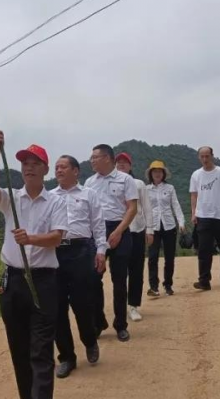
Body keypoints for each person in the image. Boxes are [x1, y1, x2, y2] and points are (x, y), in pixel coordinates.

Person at [0, 130, 68, 399]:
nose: (29, 168)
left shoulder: (56, 201)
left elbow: (57, 237)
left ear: (45, 169)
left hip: (43, 282)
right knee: (19, 349)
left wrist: (30, 239)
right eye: (24, 164)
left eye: (35, 164)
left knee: (41, 350)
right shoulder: (11, 198)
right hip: (12, 282)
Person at [51, 155, 106, 379]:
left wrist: (101, 251)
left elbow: (98, 225)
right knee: (56, 307)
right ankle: (66, 357)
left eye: (63, 167)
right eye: (56, 167)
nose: (58, 170)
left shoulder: (89, 194)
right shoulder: (49, 197)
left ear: (75, 171)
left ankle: (90, 341)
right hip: (54, 253)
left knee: (82, 303)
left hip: (81, 251)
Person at [85, 143, 138, 342]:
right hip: (96, 231)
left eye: (95, 157)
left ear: (107, 158)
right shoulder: (89, 183)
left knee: (119, 280)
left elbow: (132, 208)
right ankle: (99, 322)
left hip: (120, 229)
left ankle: (120, 325)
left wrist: (118, 232)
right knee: (93, 278)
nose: (91, 160)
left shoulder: (126, 180)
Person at [189, 146, 220, 291]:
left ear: (212, 156)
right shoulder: (196, 175)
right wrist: (193, 213)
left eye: (207, 156)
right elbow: (194, 195)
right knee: (204, 250)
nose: (205, 159)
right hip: (203, 216)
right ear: (199, 157)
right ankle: (204, 280)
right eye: (202, 156)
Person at [114, 152, 153, 322]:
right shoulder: (110, 183)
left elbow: (147, 207)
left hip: (136, 230)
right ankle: (120, 307)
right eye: (119, 162)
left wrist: (150, 229)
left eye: (125, 162)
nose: (121, 164)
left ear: (130, 166)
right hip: (118, 232)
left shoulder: (139, 184)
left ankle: (133, 306)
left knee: (136, 270)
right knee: (120, 272)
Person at [145, 160, 186, 297]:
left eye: (160, 171)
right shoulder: (146, 189)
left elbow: (176, 205)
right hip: (152, 227)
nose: (157, 173)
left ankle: (168, 285)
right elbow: (144, 209)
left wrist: (181, 222)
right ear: (151, 174)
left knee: (169, 257)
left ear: (163, 174)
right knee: (152, 257)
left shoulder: (170, 188)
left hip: (169, 226)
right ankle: (154, 287)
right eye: (154, 171)